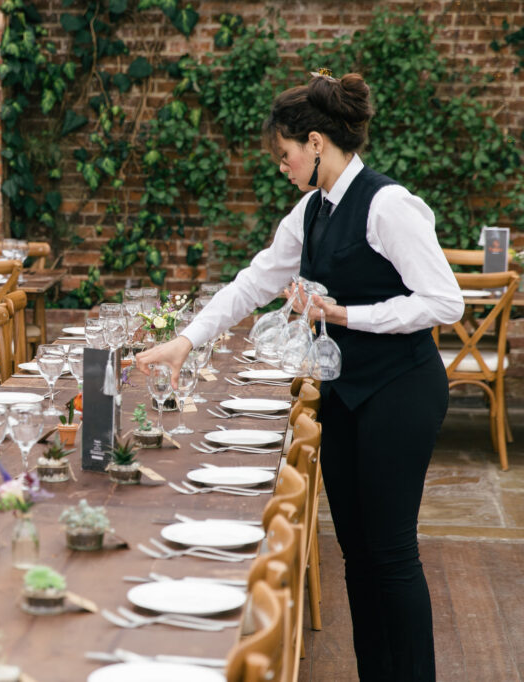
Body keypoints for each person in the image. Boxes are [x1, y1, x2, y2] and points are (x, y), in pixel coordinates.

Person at [136, 70, 463, 681]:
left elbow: (445, 302)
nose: (280, 167)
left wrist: (346, 314)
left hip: (401, 390)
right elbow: (255, 281)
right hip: (342, 395)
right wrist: (185, 341)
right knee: (356, 556)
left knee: (392, 553)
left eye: (284, 155)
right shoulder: (310, 210)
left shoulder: (389, 205)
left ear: (315, 142)